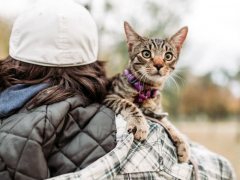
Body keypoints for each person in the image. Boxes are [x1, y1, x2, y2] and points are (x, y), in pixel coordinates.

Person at [0, 0, 236, 180]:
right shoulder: (131, 134)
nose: (157, 63)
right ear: (93, 64)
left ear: (12, 62)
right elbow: (221, 169)